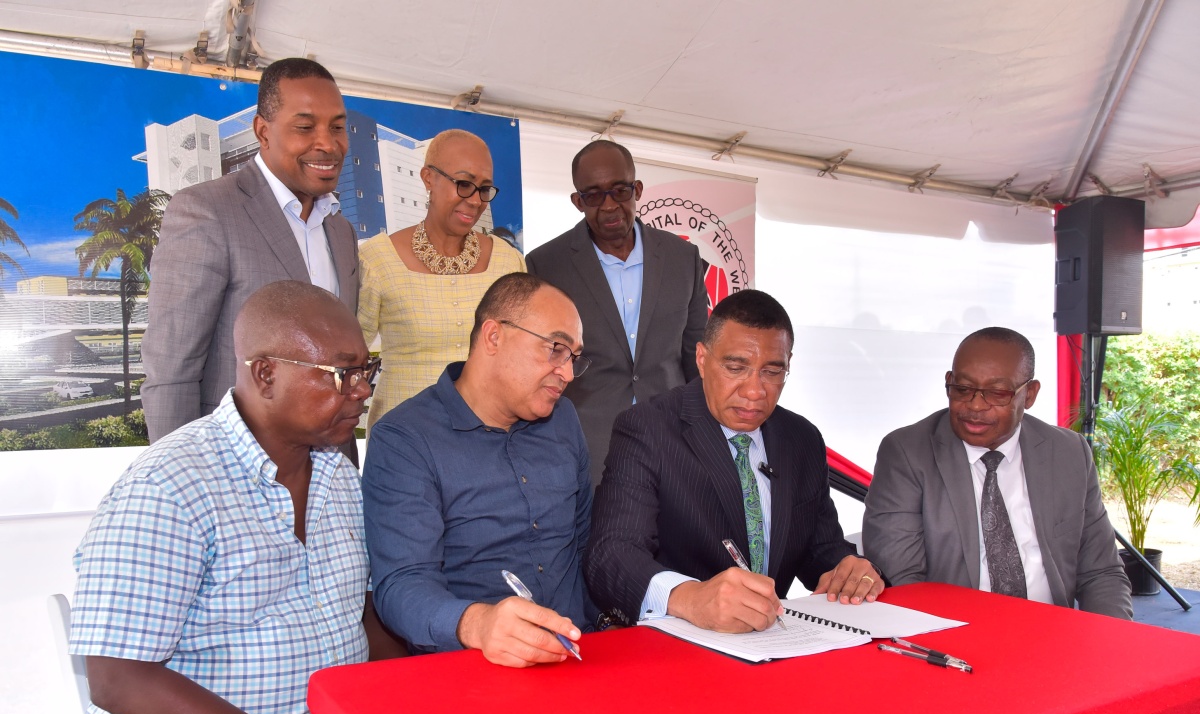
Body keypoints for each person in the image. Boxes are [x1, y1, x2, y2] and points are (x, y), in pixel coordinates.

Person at [70, 282, 404, 714]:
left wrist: (422, 703)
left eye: (369, 370)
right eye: (344, 374)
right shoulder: (169, 487)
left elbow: (358, 615)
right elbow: (119, 680)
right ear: (266, 373)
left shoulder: (337, 475)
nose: (362, 391)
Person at [585, 289, 880, 632]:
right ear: (701, 358)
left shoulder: (802, 439)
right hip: (677, 645)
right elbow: (611, 555)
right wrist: (690, 598)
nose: (754, 391)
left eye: (772, 372)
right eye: (736, 367)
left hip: (773, 642)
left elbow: (820, 548)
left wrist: (847, 568)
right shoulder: (649, 429)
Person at [364, 273, 596, 667]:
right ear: (493, 336)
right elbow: (401, 585)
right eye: (556, 349)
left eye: (573, 357)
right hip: (472, 669)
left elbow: (585, 542)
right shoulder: (405, 439)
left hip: (580, 656)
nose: (568, 373)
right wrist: (478, 624)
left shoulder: (563, 421)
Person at [142, 57, 360, 456]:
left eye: (338, 127)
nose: (328, 143)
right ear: (263, 131)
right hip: (233, 471)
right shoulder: (207, 211)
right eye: (305, 127)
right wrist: (185, 483)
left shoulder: (341, 231)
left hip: (328, 472)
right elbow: (171, 372)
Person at [862, 327, 1132, 619]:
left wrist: (1114, 641)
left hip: (1053, 632)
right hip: (954, 638)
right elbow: (902, 579)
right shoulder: (907, 453)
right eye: (962, 389)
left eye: (997, 393)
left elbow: (1101, 572)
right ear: (948, 383)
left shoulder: (1067, 452)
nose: (975, 406)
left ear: (1029, 394)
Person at [526, 140, 709, 485]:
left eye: (619, 191)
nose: (609, 206)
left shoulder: (683, 259)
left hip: (673, 443)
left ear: (637, 190)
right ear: (578, 202)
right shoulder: (547, 265)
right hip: (585, 450)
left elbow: (697, 357)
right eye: (594, 195)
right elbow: (542, 364)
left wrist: (703, 437)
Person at [357, 129, 525, 431]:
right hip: (404, 442)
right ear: (428, 178)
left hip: (490, 440)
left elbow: (523, 352)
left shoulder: (506, 262)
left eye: (484, 189)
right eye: (464, 184)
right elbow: (349, 353)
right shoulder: (378, 260)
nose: (475, 200)